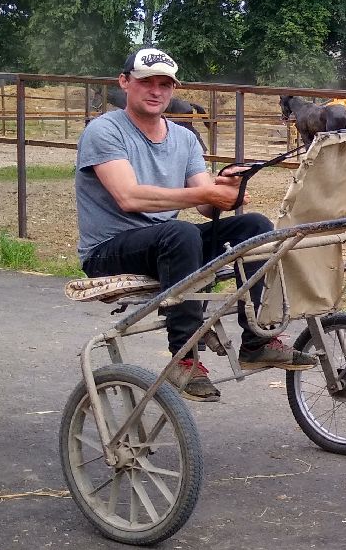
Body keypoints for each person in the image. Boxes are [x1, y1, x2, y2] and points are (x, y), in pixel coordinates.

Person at [75, 47, 316, 401]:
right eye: (147, 82)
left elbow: (204, 203)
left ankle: (256, 341)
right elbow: (129, 197)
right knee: (180, 233)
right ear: (124, 83)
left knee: (256, 227)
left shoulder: (183, 137)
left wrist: (227, 189)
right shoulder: (104, 130)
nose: (156, 91)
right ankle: (183, 359)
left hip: (166, 242)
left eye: (165, 84)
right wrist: (207, 196)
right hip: (108, 249)